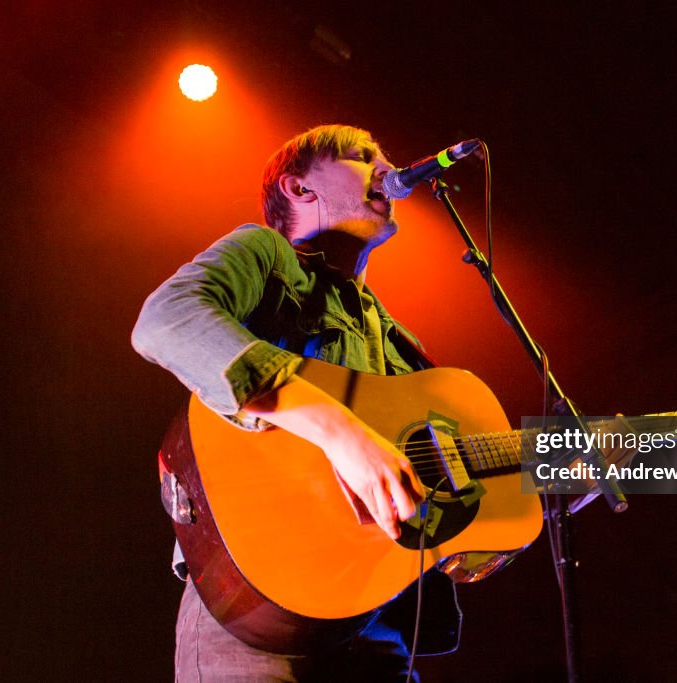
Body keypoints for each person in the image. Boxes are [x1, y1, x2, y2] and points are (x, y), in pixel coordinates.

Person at [132, 124, 460, 682]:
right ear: (299, 189)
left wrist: (566, 466)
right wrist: (340, 431)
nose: (386, 168)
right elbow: (167, 319)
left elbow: (452, 484)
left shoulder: (400, 342)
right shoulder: (266, 253)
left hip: (377, 622)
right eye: (363, 157)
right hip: (253, 610)